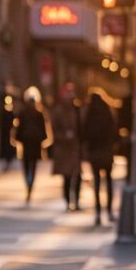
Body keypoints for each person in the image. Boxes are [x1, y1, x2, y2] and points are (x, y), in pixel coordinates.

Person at [82, 91, 117, 226]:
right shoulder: (107, 113)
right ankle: (109, 210)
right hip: (106, 152)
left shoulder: (90, 115)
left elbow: (84, 133)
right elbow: (114, 132)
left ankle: (98, 212)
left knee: (97, 183)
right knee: (108, 182)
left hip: (95, 153)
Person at [50, 83, 83, 211]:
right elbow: (54, 129)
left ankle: (77, 200)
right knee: (67, 177)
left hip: (75, 148)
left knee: (78, 176)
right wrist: (64, 136)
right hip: (64, 149)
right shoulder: (58, 111)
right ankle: (68, 200)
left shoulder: (77, 109)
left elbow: (81, 127)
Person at [14, 87, 49, 203]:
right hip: (35, 143)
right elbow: (44, 130)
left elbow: (18, 129)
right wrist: (42, 139)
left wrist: (18, 139)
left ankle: (28, 183)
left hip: (26, 143)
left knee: (26, 165)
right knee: (33, 166)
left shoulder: (22, 113)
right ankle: (30, 184)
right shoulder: (39, 113)